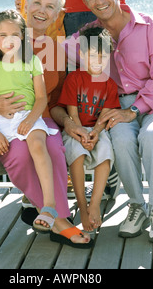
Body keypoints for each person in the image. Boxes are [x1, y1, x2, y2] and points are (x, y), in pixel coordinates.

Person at [0, 0, 93, 249]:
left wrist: (69, 124)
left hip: (39, 119)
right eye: (36, 3)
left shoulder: (53, 49)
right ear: (24, 5)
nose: (41, 10)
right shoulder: (0, 41)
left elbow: (54, 102)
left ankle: (52, 214)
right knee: (21, 155)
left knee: (55, 149)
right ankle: (61, 223)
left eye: (50, 6)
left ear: (58, 14)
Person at [61, 0, 153, 243]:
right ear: (86, 1)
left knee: (152, 136)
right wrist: (11, 49)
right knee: (121, 139)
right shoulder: (89, 36)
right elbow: (51, 53)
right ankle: (137, 205)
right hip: (116, 107)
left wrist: (134, 110)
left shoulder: (149, 27)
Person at [0, 9, 60, 247]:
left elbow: (41, 99)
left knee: (37, 144)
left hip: (29, 114)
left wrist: (31, 120)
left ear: (23, 36)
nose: (9, 39)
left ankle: (49, 206)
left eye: (15, 34)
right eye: (3, 34)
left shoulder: (33, 62)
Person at [57, 26, 120, 231]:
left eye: (103, 57)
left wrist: (95, 133)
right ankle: (82, 206)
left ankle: (95, 204)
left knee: (105, 152)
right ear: (83, 54)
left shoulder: (109, 84)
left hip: (96, 130)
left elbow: (104, 117)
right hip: (76, 129)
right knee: (76, 153)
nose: (97, 61)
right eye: (93, 55)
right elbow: (72, 114)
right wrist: (81, 133)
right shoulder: (74, 78)